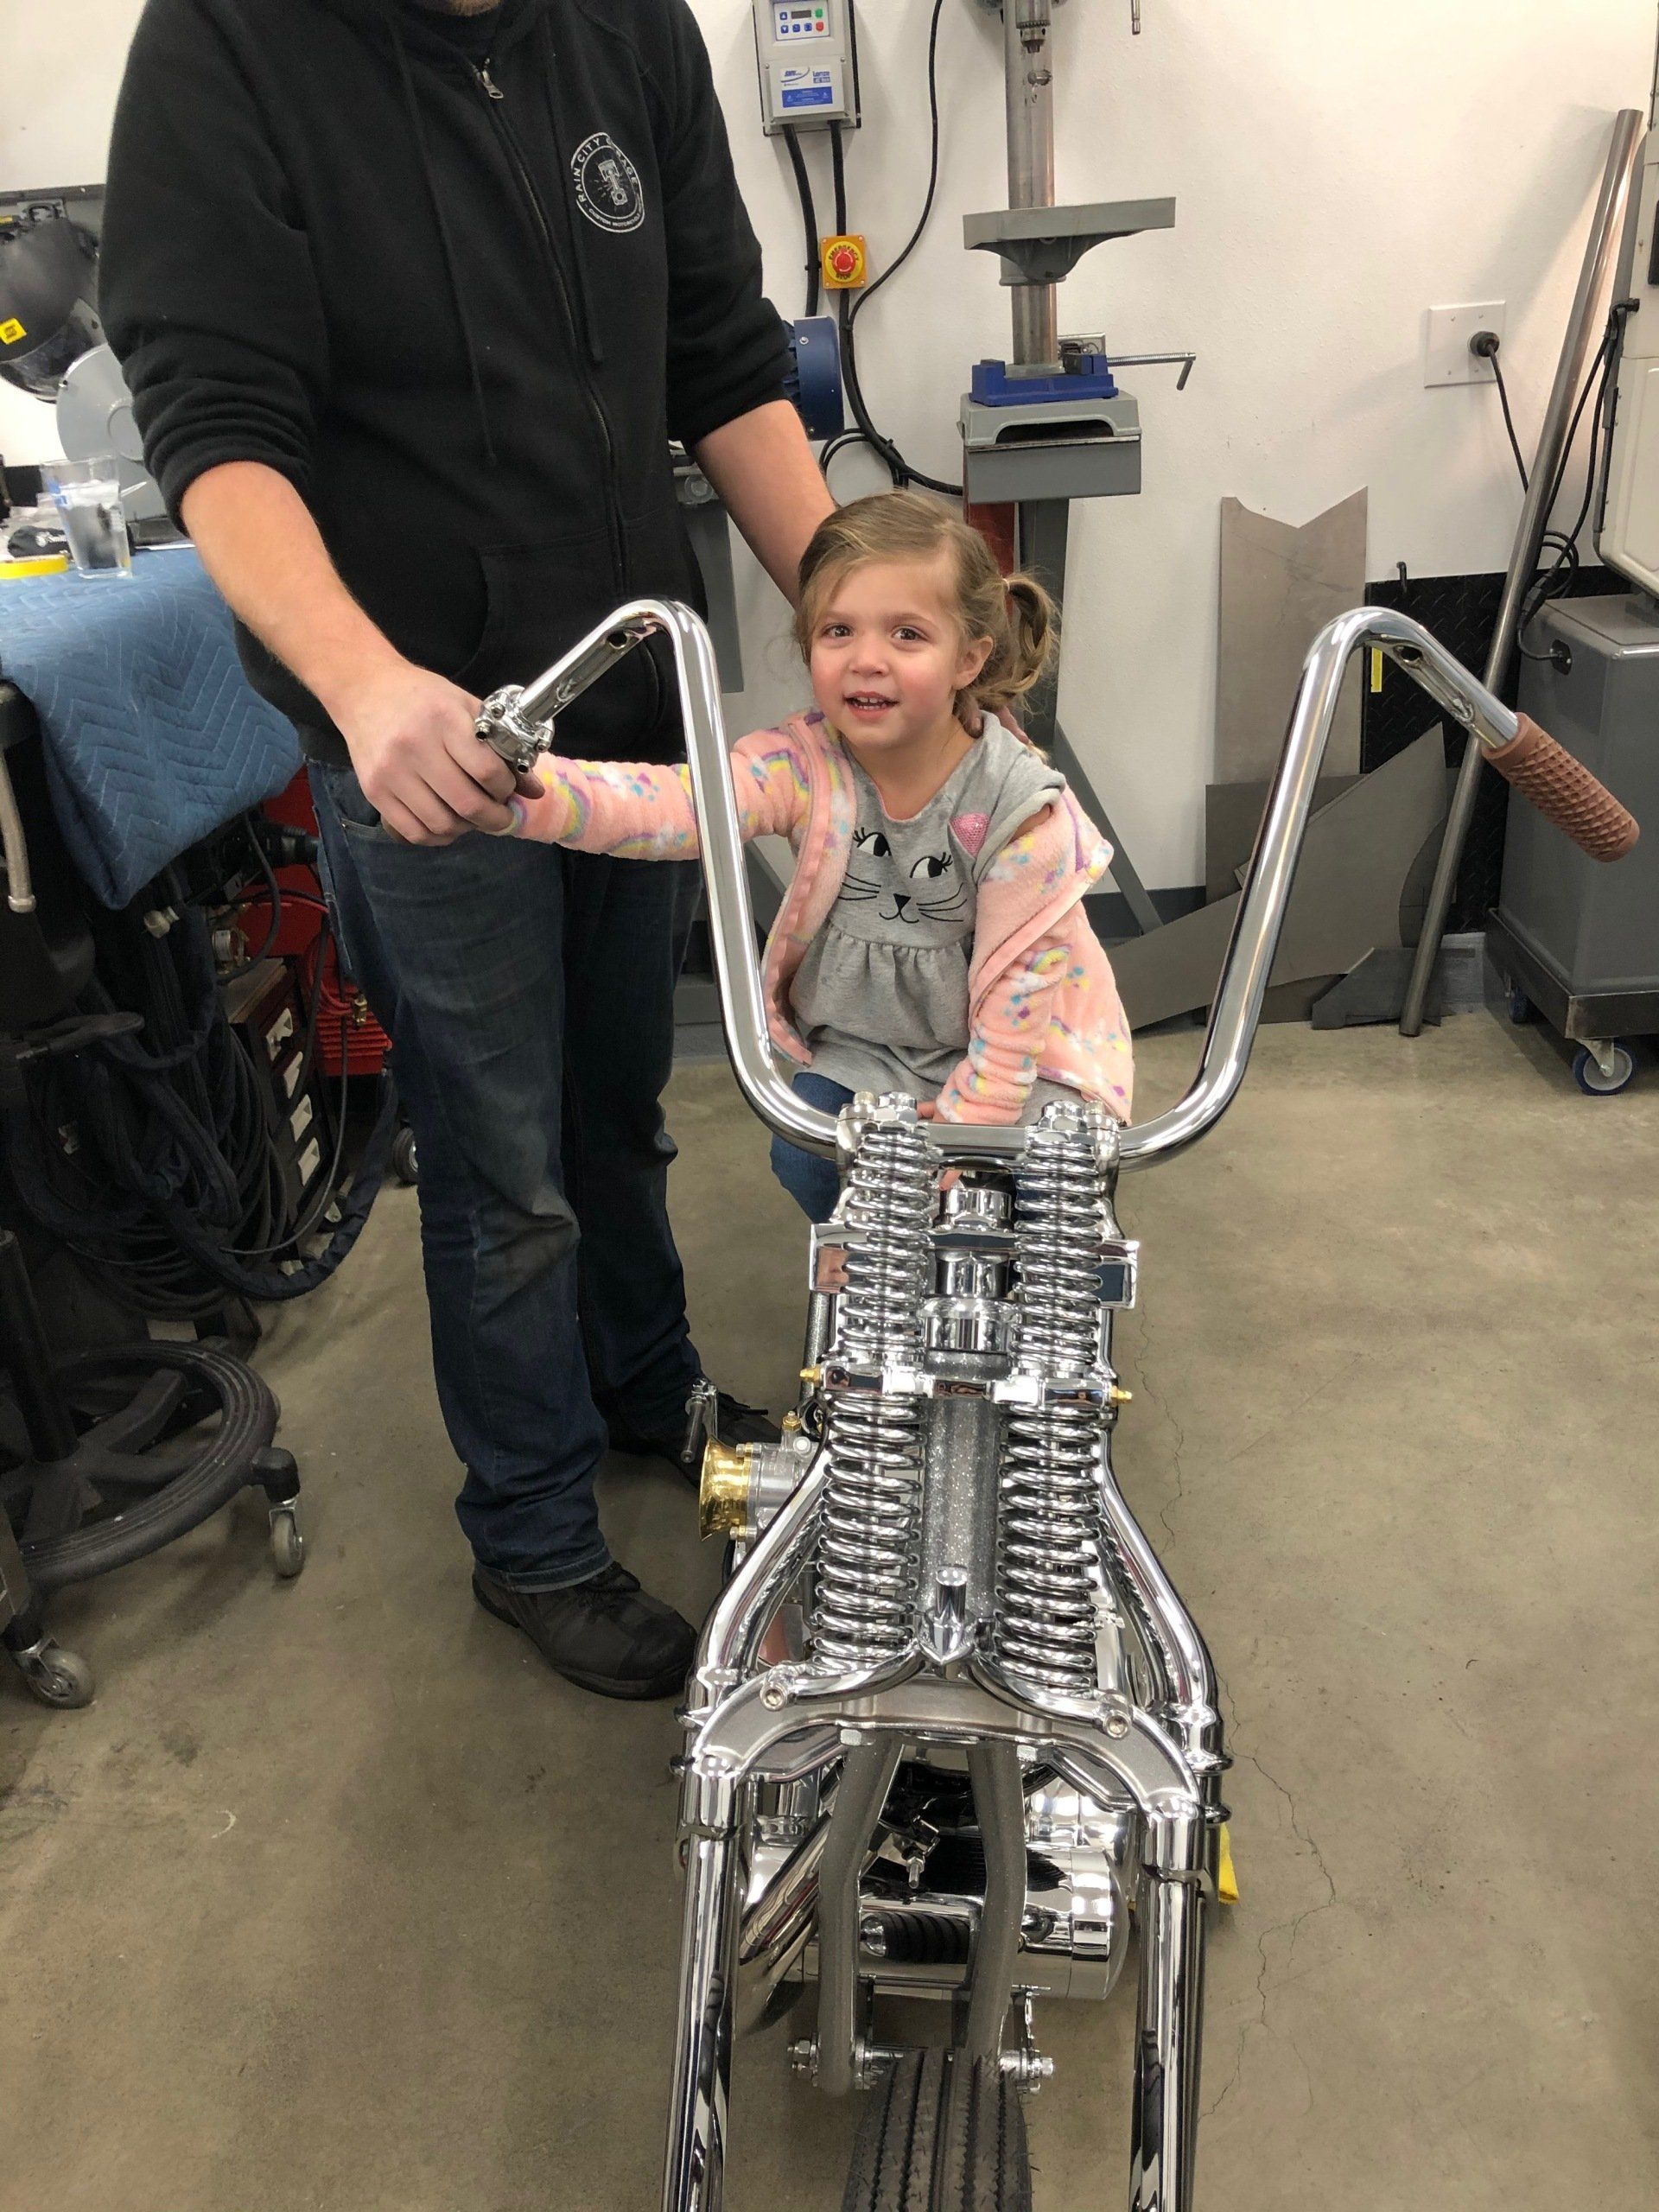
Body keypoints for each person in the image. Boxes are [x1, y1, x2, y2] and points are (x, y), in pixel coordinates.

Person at [99, 0, 836, 1700]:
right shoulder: (224, 49)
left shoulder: (626, 29)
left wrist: (874, 625)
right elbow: (214, 424)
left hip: (637, 694)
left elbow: (721, 352)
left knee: (619, 1104)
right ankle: (533, 1531)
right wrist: (362, 687)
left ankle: (646, 1390)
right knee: (505, 1174)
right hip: (432, 740)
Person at [497, 490, 1135, 1219]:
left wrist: (977, 1122)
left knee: (1045, 1191)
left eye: (906, 634)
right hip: (873, 1047)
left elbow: (1024, 988)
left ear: (970, 659)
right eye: (838, 631)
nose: (867, 660)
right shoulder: (803, 766)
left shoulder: (1022, 811)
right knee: (806, 1156)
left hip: (1021, 1049)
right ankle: (873, 1266)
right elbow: (680, 805)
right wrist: (533, 793)